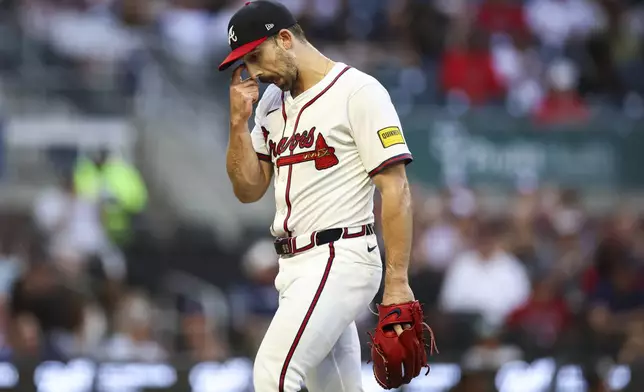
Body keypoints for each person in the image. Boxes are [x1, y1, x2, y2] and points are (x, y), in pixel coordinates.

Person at [220, 1, 423, 390]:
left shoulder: (357, 91)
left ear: (284, 39)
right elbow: (248, 189)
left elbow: (395, 187)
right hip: (294, 267)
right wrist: (237, 124)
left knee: (273, 374)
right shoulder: (269, 104)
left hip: (340, 255)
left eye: (256, 55)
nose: (255, 72)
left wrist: (397, 281)